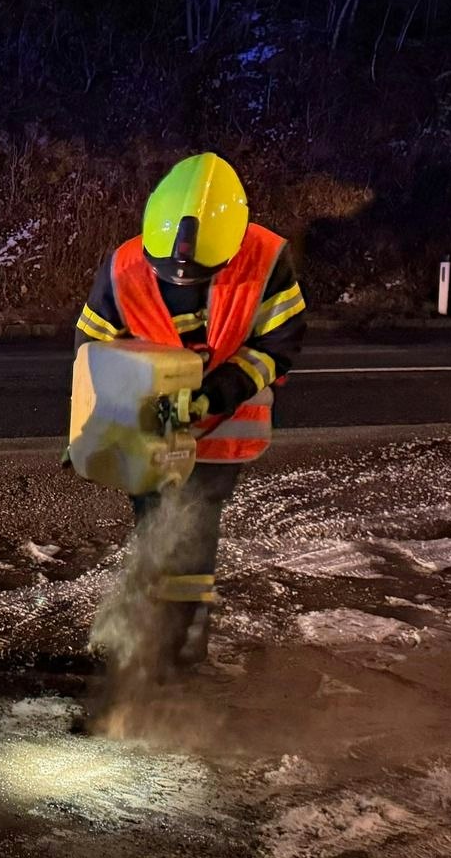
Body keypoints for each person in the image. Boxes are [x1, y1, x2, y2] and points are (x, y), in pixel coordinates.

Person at [73, 152, 308, 669]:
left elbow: (278, 345)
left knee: (193, 526)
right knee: (155, 523)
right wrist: (105, 422)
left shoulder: (265, 259)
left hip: (225, 432)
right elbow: (92, 351)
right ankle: (156, 640)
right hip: (146, 435)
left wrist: (214, 396)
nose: (182, 286)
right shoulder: (124, 267)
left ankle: (174, 650)